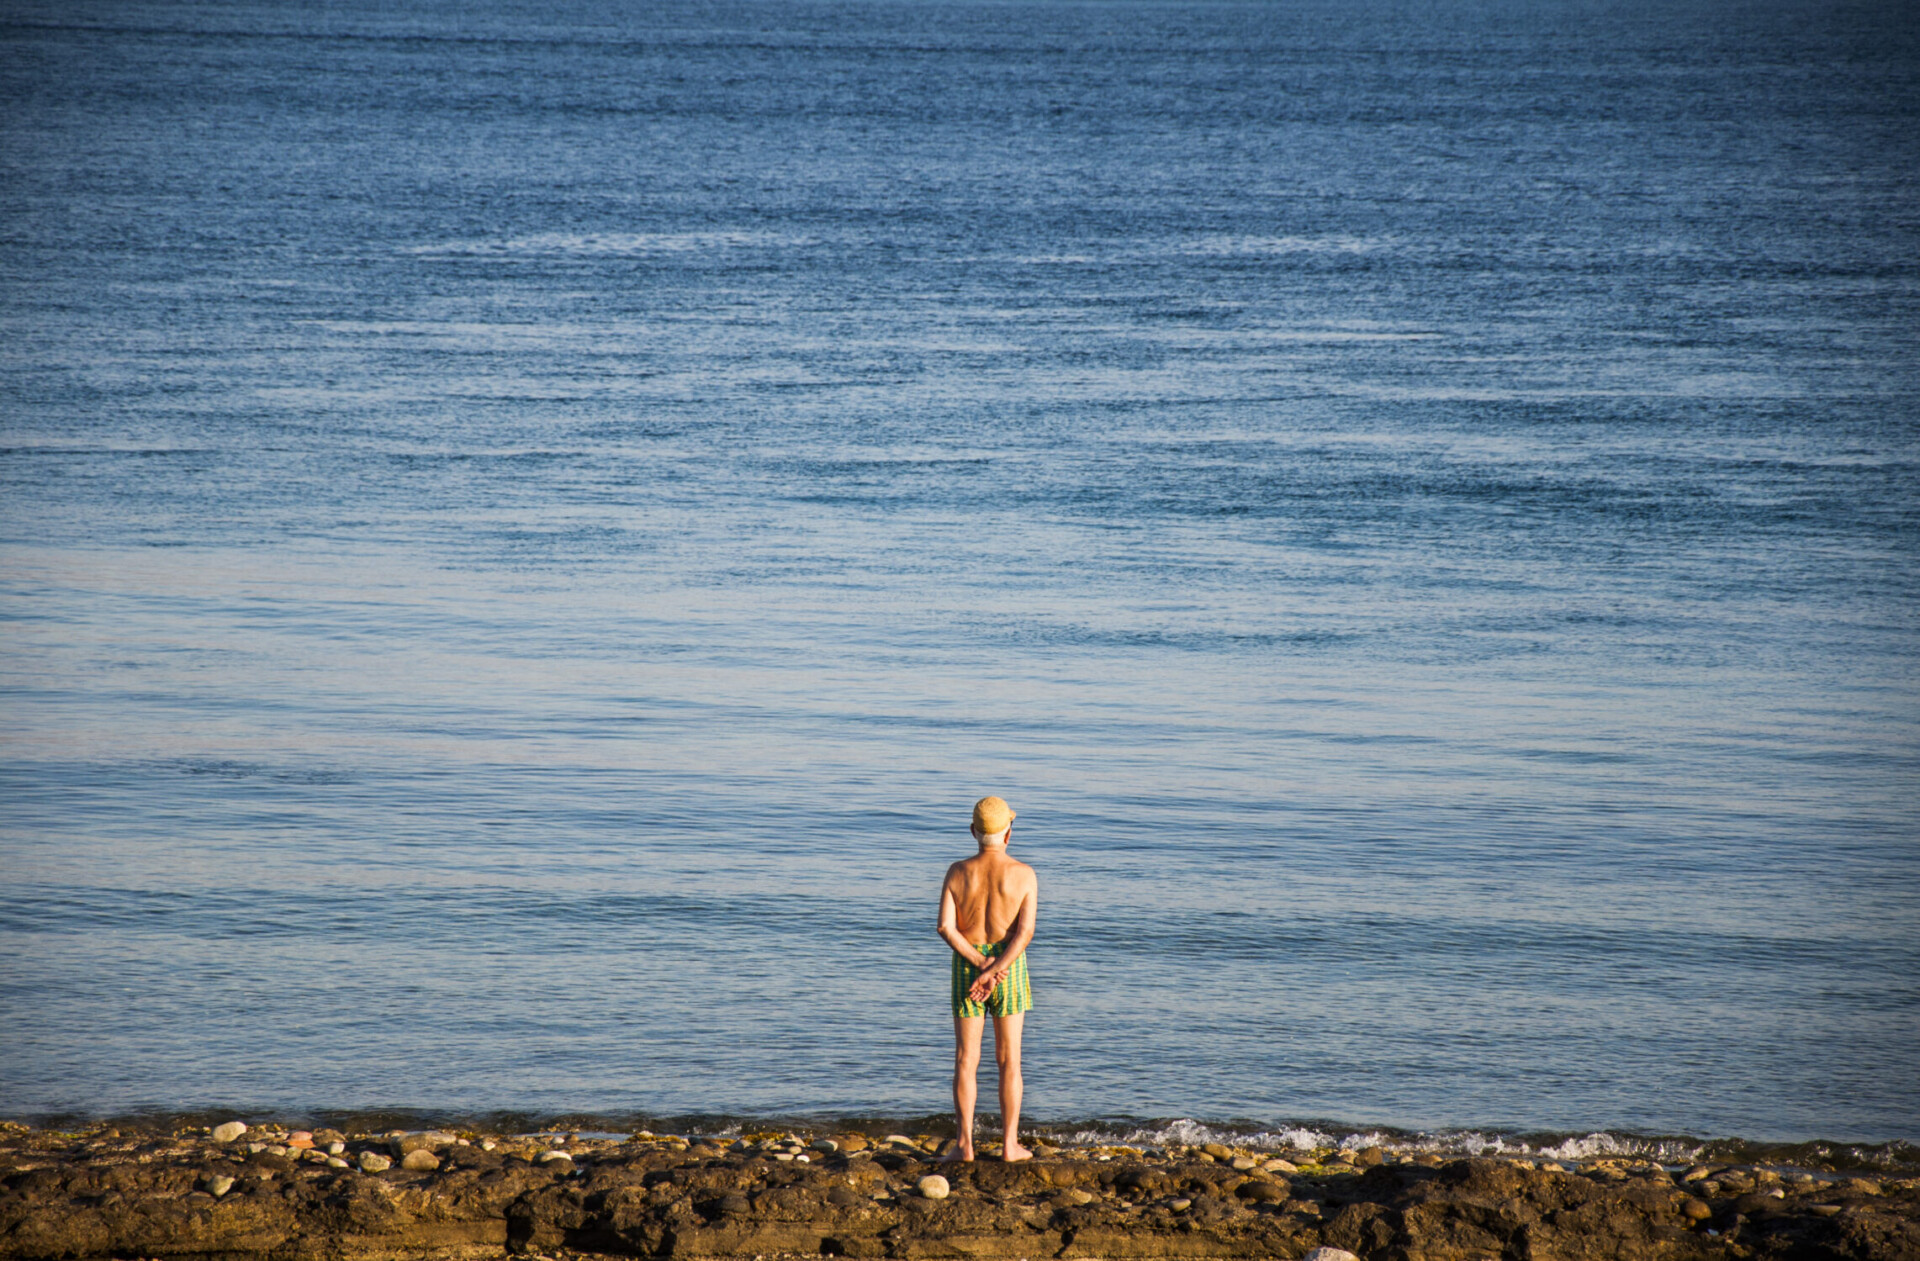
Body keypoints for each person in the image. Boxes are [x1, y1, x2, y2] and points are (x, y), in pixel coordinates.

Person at [936, 794, 1038, 1162]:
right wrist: (996, 968)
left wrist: (981, 963)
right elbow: (1024, 934)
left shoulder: (957, 872)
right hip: (1008, 968)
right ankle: (1010, 1145)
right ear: (1009, 833)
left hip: (968, 967)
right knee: (1010, 1060)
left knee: (966, 1059)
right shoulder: (1024, 874)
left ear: (973, 832)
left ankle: (965, 1145)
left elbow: (946, 927)